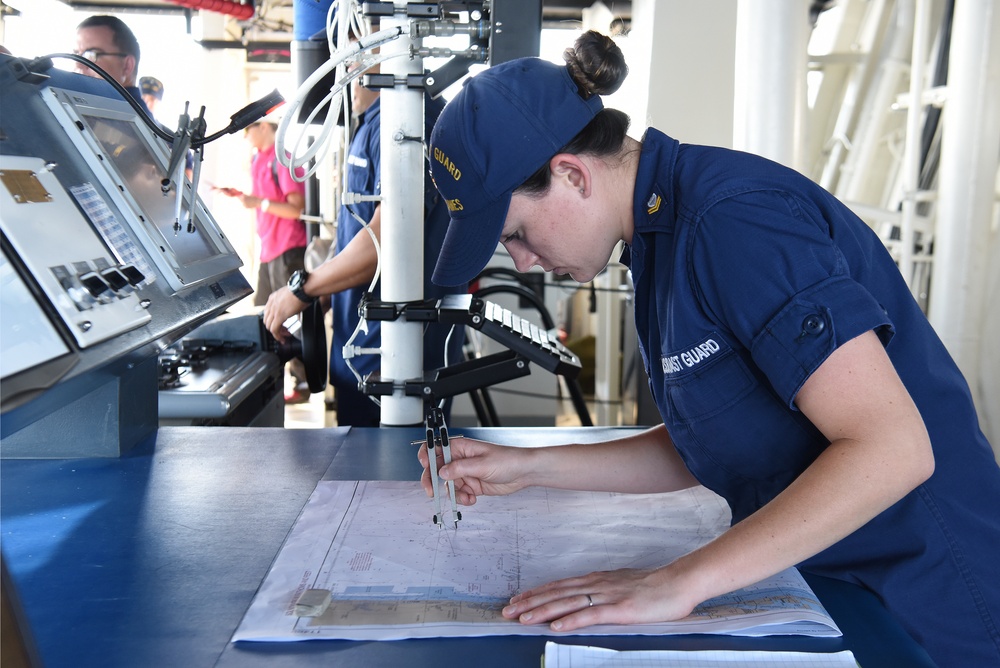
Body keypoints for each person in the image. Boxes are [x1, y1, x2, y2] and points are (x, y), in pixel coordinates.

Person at [418, 30, 1000, 667]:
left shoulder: (733, 221)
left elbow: (893, 449)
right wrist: (529, 469)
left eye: (518, 234)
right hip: (826, 581)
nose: (524, 262)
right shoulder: (656, 241)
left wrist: (676, 582)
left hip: (924, 599)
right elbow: (718, 440)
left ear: (572, 175)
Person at [262, 29, 466, 426]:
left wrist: (304, 288)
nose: (347, 67)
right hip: (365, 348)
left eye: (351, 53)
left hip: (394, 357)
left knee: (391, 476)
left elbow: (388, 236)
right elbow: (360, 233)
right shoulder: (377, 121)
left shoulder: (408, 118)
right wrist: (325, 293)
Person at [218, 119, 310, 403]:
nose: (247, 138)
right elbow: (264, 200)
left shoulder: (283, 160)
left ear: (265, 127)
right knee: (265, 318)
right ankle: (269, 382)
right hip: (268, 250)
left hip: (289, 249)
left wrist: (258, 203)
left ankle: (304, 383)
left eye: (248, 130)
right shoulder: (259, 160)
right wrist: (246, 198)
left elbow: (295, 209)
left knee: (292, 319)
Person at [74, 15, 150, 115]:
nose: (78, 64)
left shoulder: (120, 119)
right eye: (76, 54)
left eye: (91, 55)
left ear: (127, 66)